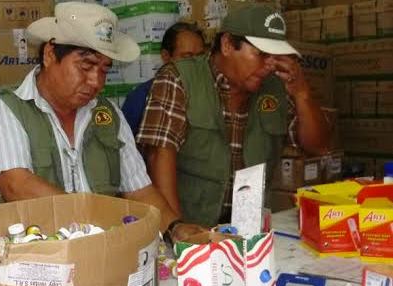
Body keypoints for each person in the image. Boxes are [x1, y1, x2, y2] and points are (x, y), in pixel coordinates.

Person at [0, 2, 204, 239]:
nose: (96, 82)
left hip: (98, 259)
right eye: (86, 66)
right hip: (28, 266)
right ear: (50, 54)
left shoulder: (109, 115)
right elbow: (18, 188)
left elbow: (140, 191)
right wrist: (99, 222)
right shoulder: (1, 109)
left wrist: (174, 227)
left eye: (103, 70)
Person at [136, 3, 330, 227]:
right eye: (262, 54)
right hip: (193, 228)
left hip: (251, 231)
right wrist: (178, 231)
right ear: (227, 44)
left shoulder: (276, 87)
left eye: (276, 56)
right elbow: (159, 157)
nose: (270, 65)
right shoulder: (178, 79)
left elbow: (318, 146)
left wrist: (302, 94)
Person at [121, 22, 205, 138]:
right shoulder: (141, 98)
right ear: (166, 56)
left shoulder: (211, 93)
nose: (196, 64)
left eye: (200, 56)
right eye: (187, 57)